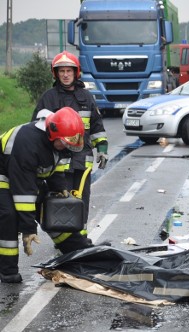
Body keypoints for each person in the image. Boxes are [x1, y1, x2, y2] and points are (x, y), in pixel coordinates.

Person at [0, 108, 88, 284]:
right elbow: (23, 192)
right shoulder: (28, 142)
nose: (67, 147)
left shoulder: (62, 142)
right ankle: (8, 272)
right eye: (65, 143)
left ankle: (80, 250)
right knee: (9, 215)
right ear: (52, 134)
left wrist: (61, 189)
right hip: (4, 175)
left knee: (55, 209)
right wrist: (28, 229)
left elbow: (58, 169)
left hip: (28, 178)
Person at [32, 51, 109, 241]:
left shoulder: (86, 97)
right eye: (61, 71)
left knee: (82, 200)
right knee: (60, 201)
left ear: (76, 73)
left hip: (82, 162)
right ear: (56, 74)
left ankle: (81, 238)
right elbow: (37, 127)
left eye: (69, 71)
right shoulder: (48, 98)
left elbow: (97, 125)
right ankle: (66, 239)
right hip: (57, 162)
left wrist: (102, 149)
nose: (65, 74)